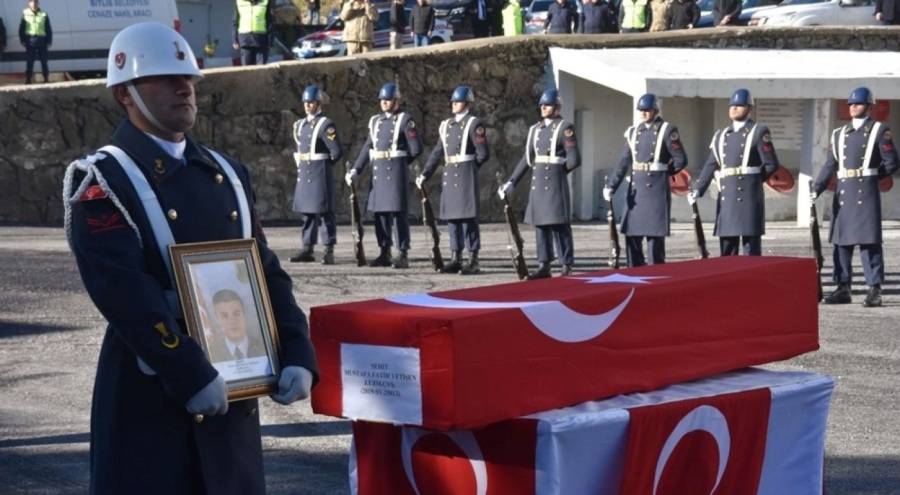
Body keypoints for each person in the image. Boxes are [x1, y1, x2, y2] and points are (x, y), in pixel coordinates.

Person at [61, 22, 318, 495]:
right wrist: (189, 371)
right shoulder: (102, 180)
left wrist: (296, 349)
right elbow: (123, 292)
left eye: (189, 78)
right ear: (125, 93)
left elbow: (264, 271)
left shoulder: (228, 172)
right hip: (153, 399)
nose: (184, 87)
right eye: (164, 78)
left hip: (232, 400)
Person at [811, 87, 899, 307]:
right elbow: (830, 165)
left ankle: (874, 289)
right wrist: (817, 189)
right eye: (850, 104)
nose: (853, 107)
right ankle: (843, 287)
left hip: (866, 191)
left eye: (858, 104)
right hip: (843, 192)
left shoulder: (879, 130)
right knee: (841, 242)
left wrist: (872, 175)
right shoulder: (839, 134)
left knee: (869, 242)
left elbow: (892, 162)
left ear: (869, 106)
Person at [498, 89, 581, 280]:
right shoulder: (535, 130)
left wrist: (559, 172)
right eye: (542, 105)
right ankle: (544, 264)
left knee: (559, 224)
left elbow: (574, 159)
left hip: (554, 180)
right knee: (541, 224)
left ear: (557, 107)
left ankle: (566, 264)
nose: (543, 108)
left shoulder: (564, 127)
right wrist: (512, 182)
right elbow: (527, 159)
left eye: (548, 105)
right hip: (538, 180)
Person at [691, 88, 781, 257]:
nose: (734, 108)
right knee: (727, 245)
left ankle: (751, 282)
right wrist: (699, 189)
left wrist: (753, 181)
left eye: (739, 105)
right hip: (728, 196)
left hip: (749, 196)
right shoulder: (721, 135)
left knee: (750, 247)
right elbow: (711, 164)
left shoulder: (758, 132)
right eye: (732, 105)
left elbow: (772, 164)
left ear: (749, 109)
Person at [604, 93, 688, 267]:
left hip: (656, 189)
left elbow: (680, 159)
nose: (643, 112)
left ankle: (656, 275)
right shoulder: (634, 132)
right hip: (637, 190)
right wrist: (612, 185)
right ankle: (635, 273)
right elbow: (623, 161)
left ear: (655, 110)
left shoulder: (667, 130)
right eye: (641, 110)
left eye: (647, 109)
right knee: (632, 235)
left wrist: (663, 173)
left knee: (654, 237)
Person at [345, 83, 423, 269]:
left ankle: (402, 252)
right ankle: (384, 251)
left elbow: (416, 149)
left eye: (388, 100)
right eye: (382, 100)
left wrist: (400, 162)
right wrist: (356, 169)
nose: (384, 103)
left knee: (398, 214)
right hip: (379, 172)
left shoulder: (405, 120)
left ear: (397, 101)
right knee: (380, 214)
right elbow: (367, 147)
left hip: (395, 172)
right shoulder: (375, 122)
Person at [417, 86, 490, 275]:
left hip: (465, 174)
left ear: (467, 104)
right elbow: (437, 152)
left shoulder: (474, 124)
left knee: (469, 219)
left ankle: (473, 258)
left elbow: (482, 154)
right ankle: (456, 257)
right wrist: (425, 174)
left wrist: (469, 168)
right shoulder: (447, 125)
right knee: (453, 219)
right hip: (450, 174)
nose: (453, 105)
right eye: (453, 102)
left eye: (457, 102)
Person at [289, 85, 343, 265]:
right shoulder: (300, 125)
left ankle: (328, 248)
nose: (307, 106)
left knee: (326, 213)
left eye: (311, 102)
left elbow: (335, 151)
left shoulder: (326, 125)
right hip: (305, 171)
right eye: (306, 102)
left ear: (319, 104)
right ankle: (308, 247)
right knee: (308, 213)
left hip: (320, 171)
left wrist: (324, 166)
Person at [207, 289, 267, 363]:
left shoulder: (265, 349)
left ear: (244, 316)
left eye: (236, 313)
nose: (232, 321)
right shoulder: (211, 355)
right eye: (224, 316)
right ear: (217, 320)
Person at [18, 0, 52, 84]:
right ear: (29, 3)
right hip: (30, 39)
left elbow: (48, 29)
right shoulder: (25, 13)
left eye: (36, 2)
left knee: (44, 60)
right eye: (32, 2)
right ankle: (28, 79)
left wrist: (49, 41)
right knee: (30, 61)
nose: (34, 3)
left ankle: (46, 78)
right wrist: (22, 40)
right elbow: (21, 29)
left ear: (38, 3)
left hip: (42, 39)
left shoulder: (44, 14)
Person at [232, 0, 273, 66]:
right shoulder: (240, 2)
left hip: (261, 40)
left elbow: (269, 22)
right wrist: (235, 39)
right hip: (245, 40)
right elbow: (235, 22)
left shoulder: (265, 2)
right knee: (247, 70)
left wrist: (270, 40)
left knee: (261, 70)